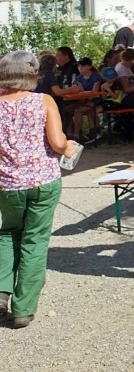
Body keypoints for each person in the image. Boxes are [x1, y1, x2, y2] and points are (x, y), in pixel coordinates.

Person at [0, 51, 80, 329]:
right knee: (35, 241)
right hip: (43, 181)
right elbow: (58, 143)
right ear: (32, 74)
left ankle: (1, 290)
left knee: (7, 234)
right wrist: (69, 146)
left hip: (8, 184)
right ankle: (23, 309)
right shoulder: (43, 101)